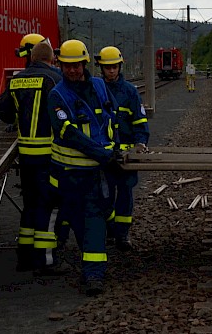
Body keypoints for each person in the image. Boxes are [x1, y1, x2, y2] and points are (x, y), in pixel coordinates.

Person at [48, 39, 119, 296]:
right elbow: (68, 133)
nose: (72, 70)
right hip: (72, 175)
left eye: (76, 65)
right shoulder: (57, 95)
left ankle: (94, 275)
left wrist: (116, 149)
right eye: (67, 66)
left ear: (85, 63)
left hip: (99, 172)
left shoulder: (100, 87)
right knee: (80, 222)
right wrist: (102, 154)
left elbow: (111, 119)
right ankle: (92, 268)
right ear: (60, 65)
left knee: (95, 221)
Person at [0, 34, 64, 273]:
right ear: (51, 59)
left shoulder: (15, 81)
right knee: (49, 206)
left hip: (26, 155)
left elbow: (3, 112)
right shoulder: (55, 78)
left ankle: (24, 257)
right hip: (50, 155)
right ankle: (45, 261)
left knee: (29, 204)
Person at [96, 46, 149, 251]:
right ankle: (111, 228)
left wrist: (140, 143)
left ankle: (122, 235)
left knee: (125, 194)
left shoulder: (130, 92)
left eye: (114, 67)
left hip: (127, 156)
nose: (111, 71)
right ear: (102, 68)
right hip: (105, 155)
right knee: (105, 194)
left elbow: (140, 121)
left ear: (120, 66)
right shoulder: (96, 89)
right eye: (107, 67)